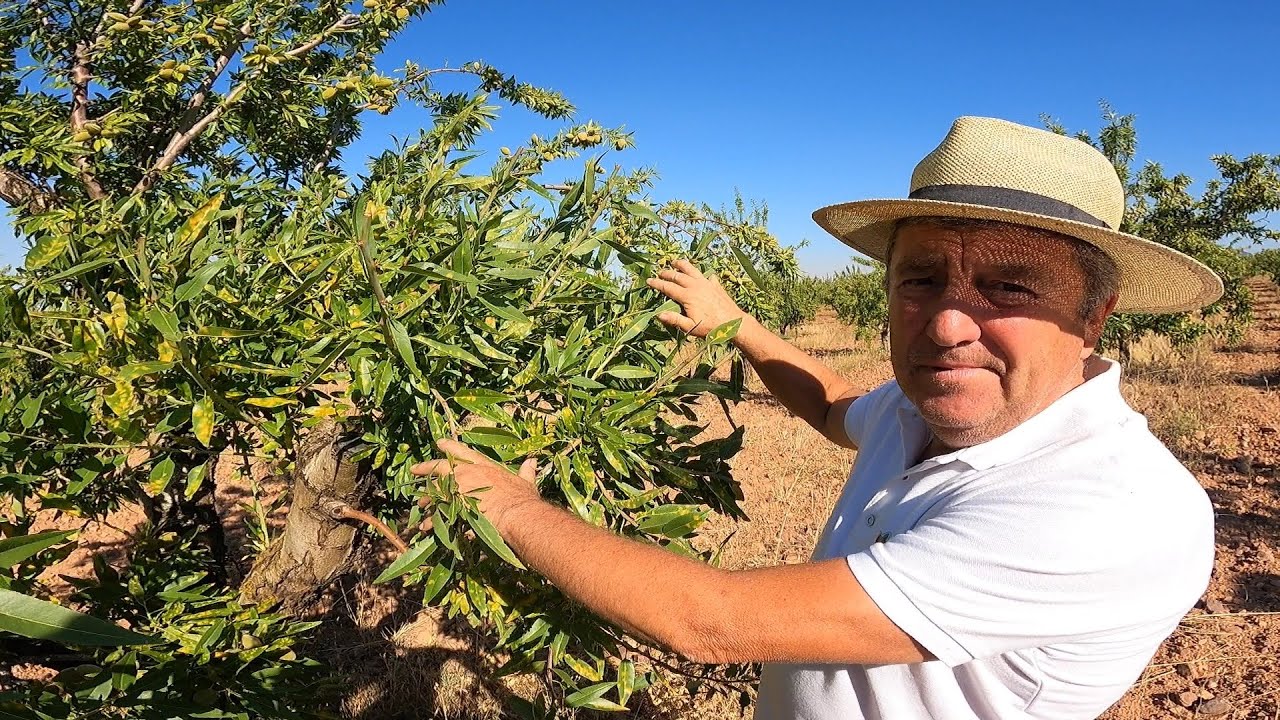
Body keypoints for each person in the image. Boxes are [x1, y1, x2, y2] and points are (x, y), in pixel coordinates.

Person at [412, 116, 1222, 719]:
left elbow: (710, 622)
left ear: (1095, 314)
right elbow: (837, 405)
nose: (945, 325)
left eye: (1010, 287)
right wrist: (737, 326)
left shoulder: (1108, 509)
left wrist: (510, 508)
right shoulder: (923, 412)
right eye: (921, 280)